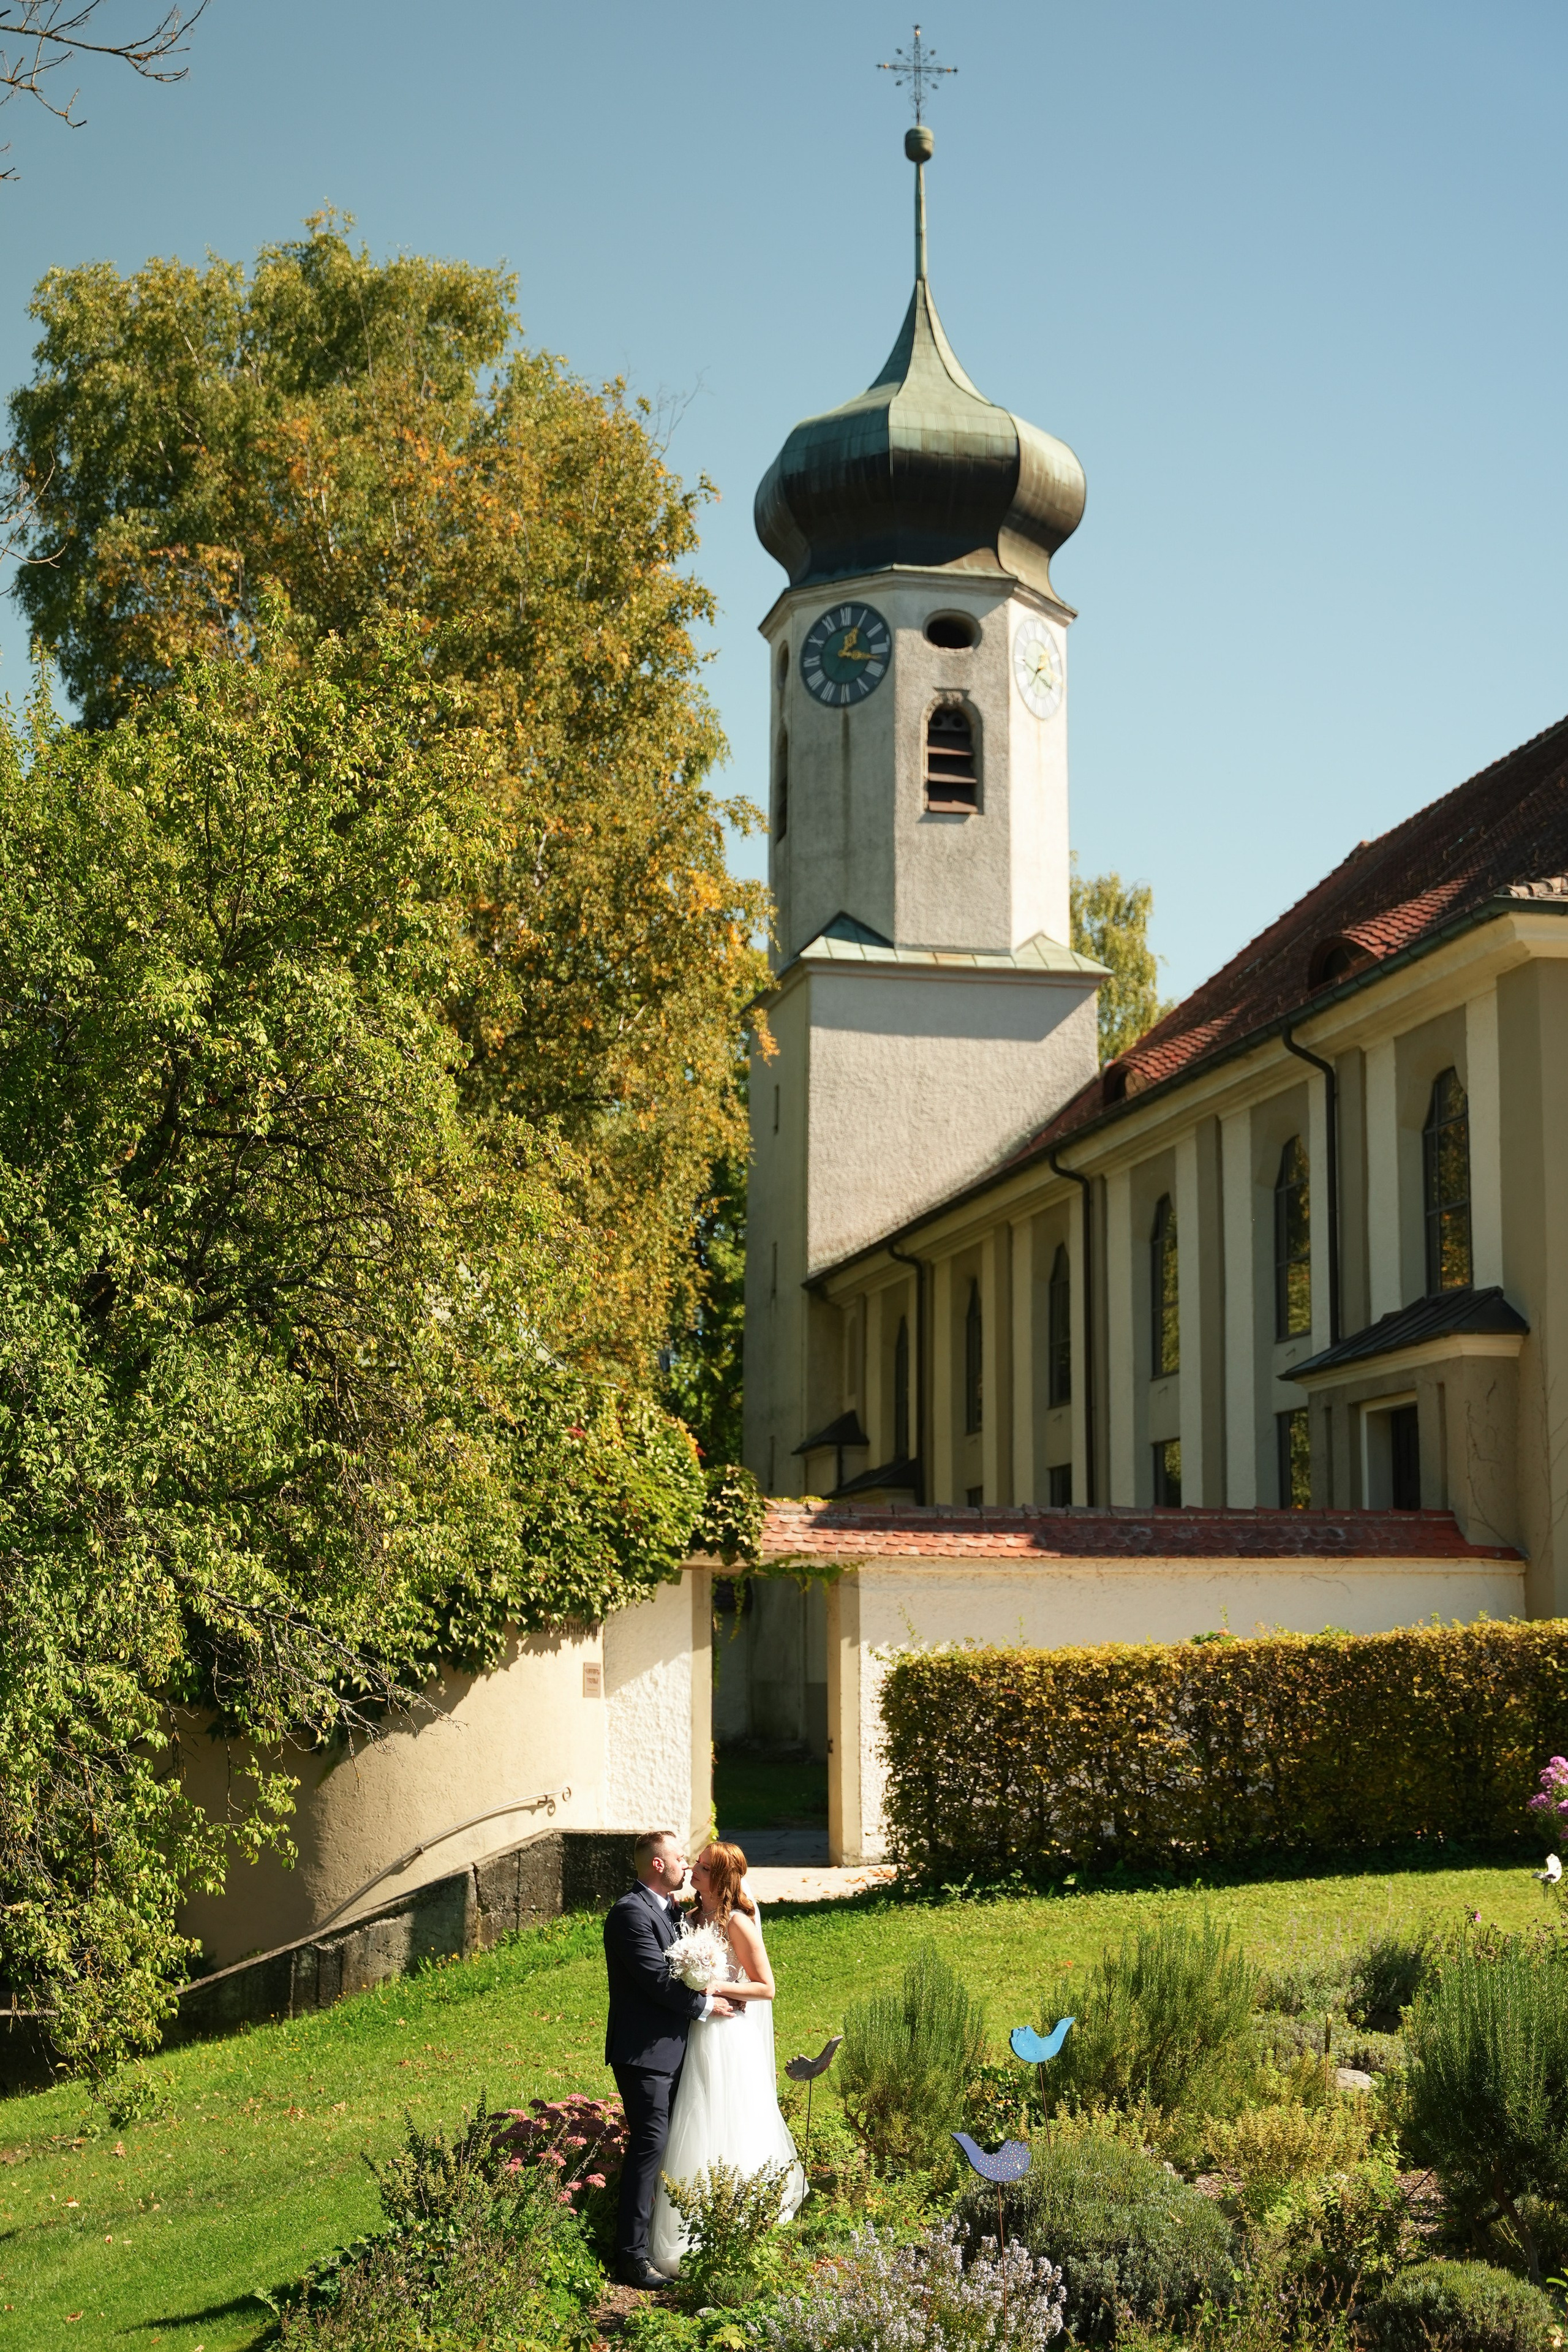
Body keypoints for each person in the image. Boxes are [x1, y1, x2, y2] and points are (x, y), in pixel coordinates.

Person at [647, 1839, 806, 2279]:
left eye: (701, 1867)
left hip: (725, 2036)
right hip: (692, 2029)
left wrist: (714, 1985)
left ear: (719, 1878)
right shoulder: (688, 1917)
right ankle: (688, 2227)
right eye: (694, 1864)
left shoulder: (737, 1922)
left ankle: (735, 2226)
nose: (693, 1871)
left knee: (722, 2119)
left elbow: (765, 1987)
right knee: (690, 2120)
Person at [603, 1829, 739, 2290]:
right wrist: (706, 2006)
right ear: (658, 1865)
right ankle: (631, 2257)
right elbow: (655, 1982)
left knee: (673, 2144)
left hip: (679, 2049)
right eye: (680, 1858)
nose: (686, 1865)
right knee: (650, 2146)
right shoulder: (629, 1914)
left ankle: (673, 2240)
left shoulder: (673, 1910)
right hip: (645, 2054)